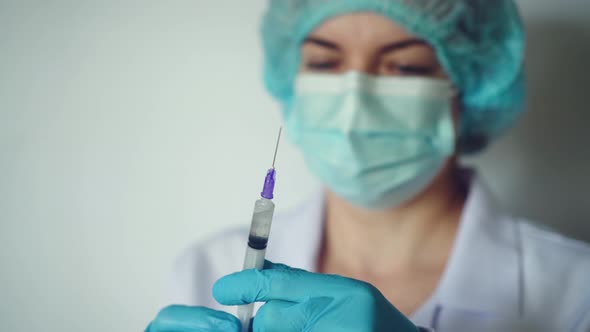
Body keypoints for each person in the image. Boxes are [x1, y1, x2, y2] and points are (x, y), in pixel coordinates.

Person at [146, 1, 590, 331]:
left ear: (470, 90)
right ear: (291, 82)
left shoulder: (574, 289)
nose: (354, 99)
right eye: (323, 62)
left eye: (405, 67)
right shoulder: (208, 267)